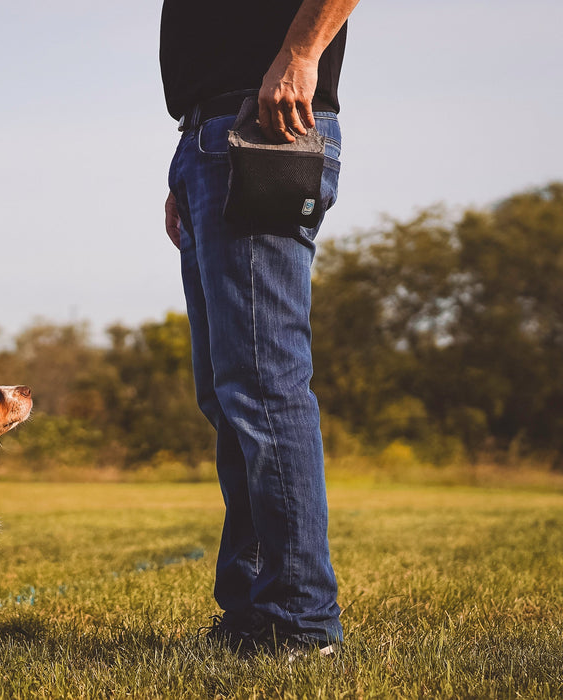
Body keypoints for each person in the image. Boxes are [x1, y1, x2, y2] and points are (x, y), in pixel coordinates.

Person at [160, 0, 359, 655]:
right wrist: (189, 165)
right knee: (227, 393)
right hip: (211, 137)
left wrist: (301, 54)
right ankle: (252, 612)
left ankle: (301, 621)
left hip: (265, 117)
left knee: (264, 386)